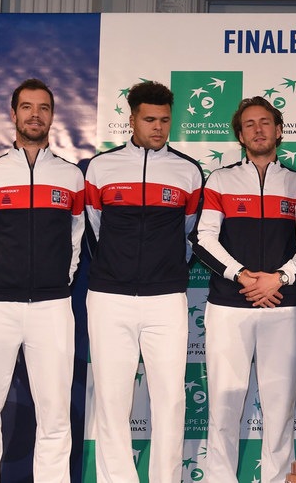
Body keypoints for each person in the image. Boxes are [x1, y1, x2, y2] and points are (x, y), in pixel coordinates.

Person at [0, 78, 84, 482]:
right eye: (27, 107)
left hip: (51, 306)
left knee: (55, 415)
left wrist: (57, 281)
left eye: (43, 108)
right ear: (13, 115)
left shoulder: (71, 177)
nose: (35, 115)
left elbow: (77, 237)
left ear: (52, 115)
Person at [84, 81, 203, 482]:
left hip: (166, 297)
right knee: (111, 401)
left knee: (170, 400)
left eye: (165, 120)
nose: (158, 127)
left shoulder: (187, 171)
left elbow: (189, 233)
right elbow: (93, 230)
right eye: (149, 119)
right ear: (131, 118)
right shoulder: (101, 167)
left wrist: (166, 269)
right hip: (108, 296)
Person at [191, 97, 296, 483]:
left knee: (279, 408)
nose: (258, 129)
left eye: (265, 122)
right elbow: (203, 239)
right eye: (249, 124)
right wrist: (242, 276)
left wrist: (281, 278)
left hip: (282, 305)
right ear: (240, 135)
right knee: (224, 407)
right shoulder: (220, 180)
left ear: (278, 130)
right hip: (228, 305)